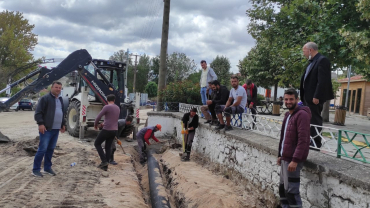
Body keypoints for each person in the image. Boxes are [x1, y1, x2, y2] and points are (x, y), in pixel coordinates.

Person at [277, 89, 311, 208]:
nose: (288, 101)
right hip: (285, 157)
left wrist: (295, 160)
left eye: (291, 99)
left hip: (293, 160)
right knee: (283, 189)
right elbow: (284, 136)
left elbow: (303, 140)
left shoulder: (302, 115)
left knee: (291, 191)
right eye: (286, 99)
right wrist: (279, 155)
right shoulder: (288, 114)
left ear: (297, 99)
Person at [300, 42, 334, 148]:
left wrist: (317, 96)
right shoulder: (312, 62)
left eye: (304, 51)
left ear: (310, 50)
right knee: (309, 119)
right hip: (307, 97)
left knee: (314, 119)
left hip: (314, 97)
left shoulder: (322, 60)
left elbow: (322, 80)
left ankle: (316, 143)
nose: (304, 54)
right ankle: (310, 140)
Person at [33, 81, 66, 177]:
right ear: (51, 88)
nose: (58, 89)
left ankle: (47, 168)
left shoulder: (60, 99)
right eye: (56, 87)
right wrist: (41, 124)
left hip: (56, 129)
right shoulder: (45, 98)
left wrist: (63, 124)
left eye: (60, 88)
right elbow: (38, 113)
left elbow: (62, 113)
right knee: (42, 149)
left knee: (51, 149)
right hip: (47, 129)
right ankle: (35, 169)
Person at [94, 94, 120, 171]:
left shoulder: (107, 107)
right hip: (114, 130)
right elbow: (111, 119)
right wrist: (103, 123)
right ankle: (105, 166)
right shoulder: (117, 108)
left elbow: (98, 117)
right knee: (108, 147)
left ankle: (104, 161)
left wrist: (96, 125)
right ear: (114, 100)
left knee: (97, 143)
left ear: (107, 100)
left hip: (107, 130)